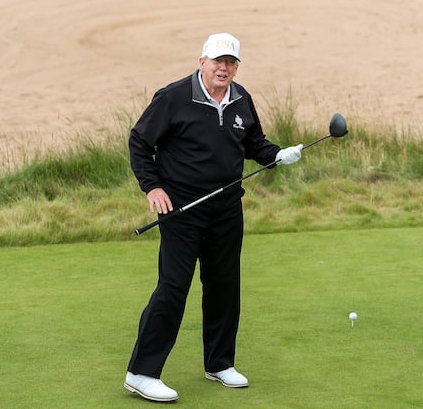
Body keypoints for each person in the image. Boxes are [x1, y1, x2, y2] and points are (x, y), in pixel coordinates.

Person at [123, 32, 303, 403]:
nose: (224, 67)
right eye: (218, 60)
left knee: (224, 285)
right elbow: (140, 142)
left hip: (226, 209)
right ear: (201, 61)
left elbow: (253, 143)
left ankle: (219, 363)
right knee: (173, 287)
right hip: (181, 210)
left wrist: (276, 155)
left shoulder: (241, 99)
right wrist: (152, 187)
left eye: (231, 62)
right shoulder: (173, 97)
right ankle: (141, 373)